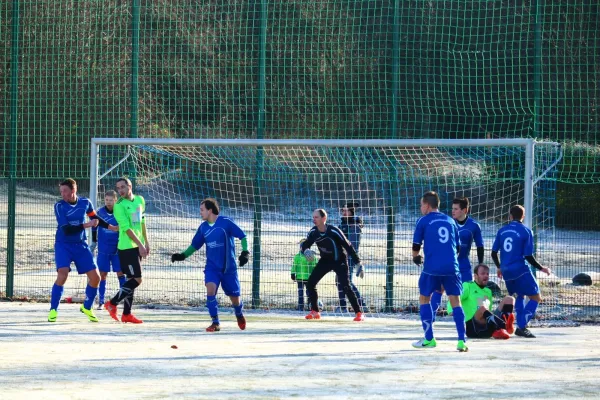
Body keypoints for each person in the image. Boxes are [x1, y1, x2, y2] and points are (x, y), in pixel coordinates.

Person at [171, 198, 250, 332]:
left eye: (202, 210)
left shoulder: (225, 223)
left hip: (229, 269)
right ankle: (215, 322)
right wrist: (182, 255)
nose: (200, 213)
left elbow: (242, 236)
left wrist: (245, 252)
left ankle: (238, 313)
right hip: (212, 268)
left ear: (210, 210)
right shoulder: (203, 228)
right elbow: (195, 245)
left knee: (235, 299)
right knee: (210, 290)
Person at [49, 178, 118, 322]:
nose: (62, 194)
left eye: (65, 191)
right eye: (61, 191)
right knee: (62, 274)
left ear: (74, 190)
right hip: (63, 244)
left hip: (80, 245)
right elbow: (67, 230)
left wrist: (110, 227)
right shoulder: (59, 206)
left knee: (96, 278)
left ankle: (87, 306)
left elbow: (95, 218)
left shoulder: (85, 203)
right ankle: (53, 309)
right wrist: (87, 225)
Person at [411, 191, 468, 352]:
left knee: (424, 298)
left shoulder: (423, 221)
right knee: (456, 302)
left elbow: (416, 246)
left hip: (432, 268)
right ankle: (461, 341)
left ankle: (429, 338)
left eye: (422, 204)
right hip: (452, 268)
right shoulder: (451, 221)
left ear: (427, 205)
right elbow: (457, 247)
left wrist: (416, 257)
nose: (421, 208)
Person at [491, 205, 552, 338]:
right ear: (523, 217)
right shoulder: (526, 231)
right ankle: (522, 325)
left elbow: (493, 253)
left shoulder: (502, 230)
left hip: (506, 270)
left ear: (510, 215)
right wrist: (542, 268)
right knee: (536, 297)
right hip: (520, 269)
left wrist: (499, 267)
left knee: (520, 295)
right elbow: (528, 256)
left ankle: (516, 324)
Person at [301, 209, 365, 322]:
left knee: (346, 286)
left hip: (339, 261)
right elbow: (305, 244)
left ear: (323, 218)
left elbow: (348, 246)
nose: (313, 219)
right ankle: (315, 311)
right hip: (325, 261)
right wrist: (305, 250)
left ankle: (359, 313)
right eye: (313, 217)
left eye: (316, 217)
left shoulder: (334, 231)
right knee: (310, 283)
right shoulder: (313, 232)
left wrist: (358, 263)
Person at [104, 177, 150, 324]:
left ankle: (127, 314)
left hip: (137, 246)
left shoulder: (140, 200)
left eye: (123, 187)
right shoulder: (119, 206)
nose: (121, 190)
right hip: (126, 248)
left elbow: (141, 222)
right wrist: (140, 244)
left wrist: (146, 242)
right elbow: (127, 229)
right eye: (118, 188)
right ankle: (112, 303)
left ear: (130, 186)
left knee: (131, 280)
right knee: (137, 279)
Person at [430, 197, 485, 318]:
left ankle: (479, 317)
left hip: (464, 265)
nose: (453, 211)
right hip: (447, 265)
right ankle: (430, 318)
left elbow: (480, 246)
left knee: (472, 290)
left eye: (456, 209)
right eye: (452, 208)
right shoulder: (447, 223)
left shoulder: (474, 226)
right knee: (439, 289)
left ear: (465, 210)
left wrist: (480, 264)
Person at [448, 264, 516, 340]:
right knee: (482, 308)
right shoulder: (468, 286)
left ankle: (500, 329)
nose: (486, 276)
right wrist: (451, 310)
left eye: (487, 274)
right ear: (475, 276)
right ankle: (505, 326)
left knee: (510, 299)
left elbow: (488, 311)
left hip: (486, 325)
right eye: (483, 274)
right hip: (472, 328)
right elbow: (455, 297)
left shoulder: (488, 291)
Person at [91, 190, 127, 309]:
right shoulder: (100, 212)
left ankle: (124, 299)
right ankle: (101, 301)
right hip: (103, 249)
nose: (108, 202)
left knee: (120, 273)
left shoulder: (120, 212)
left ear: (115, 200)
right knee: (102, 274)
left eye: (111, 200)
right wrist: (94, 241)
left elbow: (125, 228)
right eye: (106, 200)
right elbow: (94, 228)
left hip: (117, 248)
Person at [336, 202, 365, 312]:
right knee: (340, 280)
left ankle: (360, 303)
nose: (344, 212)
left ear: (352, 212)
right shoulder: (342, 224)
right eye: (343, 210)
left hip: (349, 257)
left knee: (345, 281)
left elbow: (353, 245)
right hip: (340, 256)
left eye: (346, 210)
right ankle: (343, 305)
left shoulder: (354, 226)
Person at [291, 240, 318, 311]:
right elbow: (294, 266)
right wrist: (293, 273)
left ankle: (310, 306)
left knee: (308, 293)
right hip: (300, 278)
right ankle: (301, 306)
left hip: (308, 278)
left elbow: (315, 266)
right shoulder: (297, 257)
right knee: (301, 293)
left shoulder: (312, 257)